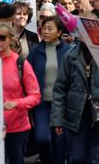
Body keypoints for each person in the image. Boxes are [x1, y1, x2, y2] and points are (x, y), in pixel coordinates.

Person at [52, 37, 99, 164]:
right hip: (76, 115)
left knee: (98, 158)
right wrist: (57, 119)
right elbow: (60, 89)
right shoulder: (70, 56)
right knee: (77, 157)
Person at [0, 22, 41, 163]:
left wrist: (16, 103)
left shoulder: (20, 63)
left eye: (2, 37)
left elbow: (36, 97)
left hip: (17, 127)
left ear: (10, 39)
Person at [28, 16, 71, 164]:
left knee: (59, 142)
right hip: (41, 104)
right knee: (42, 138)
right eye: (44, 29)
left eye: (50, 29)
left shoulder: (68, 51)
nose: (45, 32)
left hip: (62, 103)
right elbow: (27, 76)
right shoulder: (35, 51)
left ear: (59, 32)